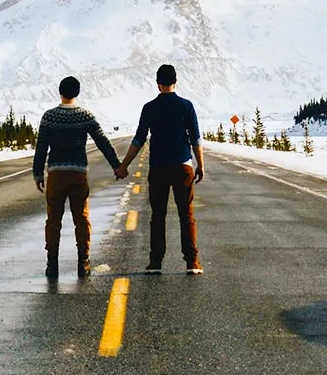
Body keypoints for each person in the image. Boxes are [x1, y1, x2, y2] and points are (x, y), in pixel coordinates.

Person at [116, 64, 204, 274]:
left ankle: (156, 262)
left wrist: (124, 165)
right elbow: (195, 138)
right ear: (176, 81)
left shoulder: (150, 108)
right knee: (186, 214)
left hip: (158, 169)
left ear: (157, 83)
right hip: (183, 166)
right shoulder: (186, 106)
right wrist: (201, 164)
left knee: (158, 215)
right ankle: (192, 262)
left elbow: (138, 140)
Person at [32, 74, 123, 281]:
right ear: (78, 93)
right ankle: (83, 262)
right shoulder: (85, 116)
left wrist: (38, 173)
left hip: (55, 174)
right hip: (78, 175)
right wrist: (116, 166)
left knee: (53, 220)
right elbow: (102, 142)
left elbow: (41, 148)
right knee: (81, 218)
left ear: (60, 92)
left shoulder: (49, 117)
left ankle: (52, 263)